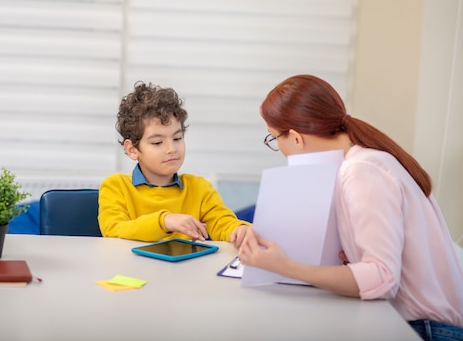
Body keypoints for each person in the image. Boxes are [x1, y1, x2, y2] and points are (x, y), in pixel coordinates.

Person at [238, 74, 463, 341]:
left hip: (427, 330)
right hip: (418, 323)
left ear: (296, 138)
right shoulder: (363, 160)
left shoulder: (362, 171)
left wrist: (286, 267)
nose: (279, 148)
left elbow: (381, 278)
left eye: (274, 139)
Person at [98, 81, 250, 247]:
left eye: (177, 138)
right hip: (133, 271)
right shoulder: (116, 187)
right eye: (157, 142)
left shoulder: (199, 188)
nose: (171, 149)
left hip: (186, 271)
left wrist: (239, 229)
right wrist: (164, 221)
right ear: (132, 149)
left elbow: (222, 222)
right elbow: (113, 230)